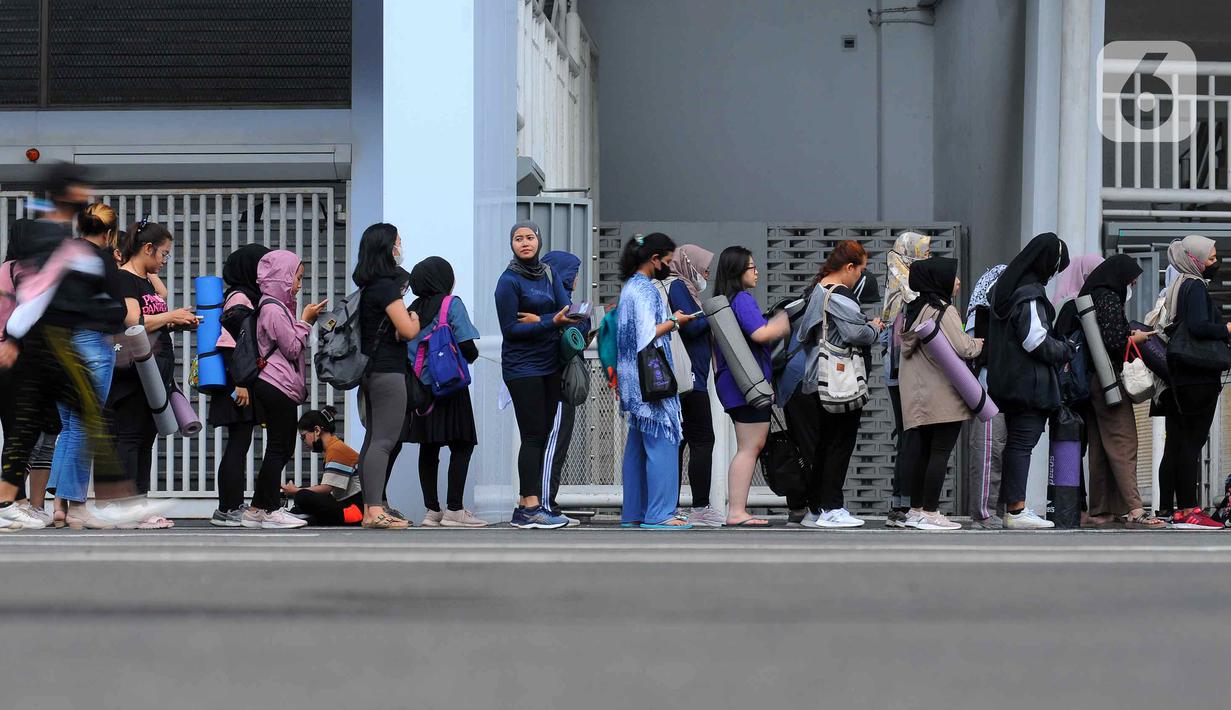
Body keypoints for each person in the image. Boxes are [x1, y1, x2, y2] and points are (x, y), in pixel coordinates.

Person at [0, 164, 162, 531]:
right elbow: (40, 292)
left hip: (55, 341)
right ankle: (87, 502)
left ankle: (42, 502)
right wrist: (13, 335)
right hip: (61, 342)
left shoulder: (67, 243)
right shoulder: (63, 244)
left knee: (54, 424)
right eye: (80, 187)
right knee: (81, 421)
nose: (86, 192)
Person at [105, 219, 196, 529]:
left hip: (155, 367)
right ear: (147, 248)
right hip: (135, 369)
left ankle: (140, 506)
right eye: (164, 253)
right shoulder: (124, 280)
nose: (164, 260)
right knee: (131, 436)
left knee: (146, 437)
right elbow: (133, 321)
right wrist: (170, 316)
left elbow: (157, 306)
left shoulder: (142, 279)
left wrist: (173, 318)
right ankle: (127, 507)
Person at [787, 240, 883, 528]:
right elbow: (856, 333)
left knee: (823, 445)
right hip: (839, 380)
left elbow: (804, 333)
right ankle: (832, 507)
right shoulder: (840, 294)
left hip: (816, 377)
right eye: (861, 269)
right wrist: (874, 329)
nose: (861, 276)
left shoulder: (817, 290)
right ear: (849, 267)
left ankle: (816, 509)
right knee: (840, 443)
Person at [494, 220, 584, 529]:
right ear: (512, 245)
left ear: (539, 241)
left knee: (542, 435)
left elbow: (568, 313)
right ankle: (529, 506)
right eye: (518, 238)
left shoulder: (548, 274)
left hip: (549, 364)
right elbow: (511, 330)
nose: (524, 243)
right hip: (522, 367)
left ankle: (528, 504)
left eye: (529, 237)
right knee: (533, 435)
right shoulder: (508, 281)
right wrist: (549, 323)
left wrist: (542, 318)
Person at [47, 203, 127, 529]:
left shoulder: (63, 255)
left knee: (68, 426)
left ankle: (59, 506)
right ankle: (78, 505)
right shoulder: (101, 260)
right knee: (84, 426)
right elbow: (119, 310)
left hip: (60, 346)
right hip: (93, 344)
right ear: (108, 234)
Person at [986, 232, 1074, 530]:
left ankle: (1012, 507)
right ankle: (1017, 509)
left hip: (1008, 382)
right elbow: (1035, 340)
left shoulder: (1005, 290)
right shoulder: (1031, 294)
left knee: (1014, 445)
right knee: (1022, 444)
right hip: (1030, 385)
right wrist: (1064, 350)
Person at [239, 249, 328, 529]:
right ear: (282, 277)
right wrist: (305, 320)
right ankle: (271, 510)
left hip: (275, 384)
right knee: (280, 447)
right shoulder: (273, 309)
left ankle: (256, 509)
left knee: (279, 446)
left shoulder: (275, 307)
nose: (299, 285)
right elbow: (290, 347)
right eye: (297, 278)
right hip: (276, 384)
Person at [1076, 255, 1165, 529]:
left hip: (1093, 380)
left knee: (1101, 448)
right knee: (1124, 441)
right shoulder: (1109, 298)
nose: (1134, 283)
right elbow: (1115, 340)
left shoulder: (1092, 293)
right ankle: (1136, 510)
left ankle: (1102, 510)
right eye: (1131, 278)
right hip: (1108, 380)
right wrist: (1135, 337)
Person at [615, 233, 694, 529]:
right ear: (655, 259)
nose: (670, 267)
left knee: (637, 446)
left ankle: (634, 512)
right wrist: (675, 321)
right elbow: (648, 333)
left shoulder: (629, 288)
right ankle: (660, 513)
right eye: (669, 261)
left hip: (632, 379)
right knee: (664, 439)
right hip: (652, 379)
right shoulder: (647, 289)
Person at [898, 257, 982, 530]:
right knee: (940, 453)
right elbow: (964, 348)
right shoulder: (943, 311)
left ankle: (917, 510)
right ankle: (931, 512)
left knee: (922, 453)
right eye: (953, 277)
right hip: (942, 395)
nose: (957, 282)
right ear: (939, 280)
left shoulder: (915, 310)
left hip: (919, 395)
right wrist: (982, 341)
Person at [711, 245, 790, 527]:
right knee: (750, 447)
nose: (757, 272)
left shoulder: (726, 301)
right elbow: (760, 333)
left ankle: (737, 509)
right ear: (738, 272)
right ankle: (737, 511)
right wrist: (782, 322)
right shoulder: (742, 300)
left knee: (748, 446)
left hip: (732, 385)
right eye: (752, 267)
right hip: (748, 386)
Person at [405, 256, 487, 528]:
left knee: (429, 448)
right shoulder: (451, 304)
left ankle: (432, 512)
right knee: (462, 444)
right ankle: (455, 509)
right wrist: (471, 357)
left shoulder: (412, 308)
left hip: (422, 389)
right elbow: (467, 347)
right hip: (450, 387)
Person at [1154, 236, 1228, 530]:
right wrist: (1226, 328)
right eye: (1210, 258)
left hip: (1180, 376)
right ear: (1195, 260)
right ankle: (1188, 510)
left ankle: (1168, 509)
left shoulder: (1178, 285)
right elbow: (1198, 326)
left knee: (1175, 444)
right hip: (1198, 376)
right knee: (1191, 443)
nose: (1215, 263)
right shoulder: (1195, 287)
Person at [352, 223, 420, 529]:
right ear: (387, 248)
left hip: (370, 371)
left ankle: (370, 508)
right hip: (388, 371)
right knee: (384, 440)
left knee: (372, 440)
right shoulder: (388, 287)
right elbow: (406, 330)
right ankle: (376, 510)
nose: (400, 248)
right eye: (398, 242)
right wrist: (415, 318)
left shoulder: (368, 288)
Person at [207, 243, 271, 526]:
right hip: (236, 385)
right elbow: (230, 345)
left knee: (240, 443)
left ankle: (231, 503)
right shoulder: (240, 299)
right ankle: (228, 506)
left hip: (238, 382)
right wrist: (240, 384)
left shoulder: (245, 297)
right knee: (237, 444)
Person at [665, 244, 722, 527]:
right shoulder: (678, 286)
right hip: (690, 380)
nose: (707, 272)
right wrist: (714, 314)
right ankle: (699, 506)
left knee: (682, 441)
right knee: (702, 440)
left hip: (690, 377)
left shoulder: (686, 288)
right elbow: (690, 325)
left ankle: (670, 505)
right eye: (703, 265)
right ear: (689, 263)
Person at [879, 231, 931, 527]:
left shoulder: (901, 280)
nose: (928, 259)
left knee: (908, 437)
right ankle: (904, 506)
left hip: (897, 374)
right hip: (903, 373)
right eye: (924, 253)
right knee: (912, 437)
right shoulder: (906, 288)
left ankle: (902, 503)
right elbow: (902, 339)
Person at [539, 250, 592, 527]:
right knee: (553, 445)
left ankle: (542, 502)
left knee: (548, 444)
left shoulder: (543, 301)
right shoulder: (561, 308)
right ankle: (546, 504)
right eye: (574, 273)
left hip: (547, 381)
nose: (576, 278)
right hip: (558, 384)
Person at [962, 264, 1007, 529]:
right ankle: (984, 512)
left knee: (996, 451)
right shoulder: (983, 311)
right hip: (986, 388)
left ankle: (994, 510)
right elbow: (973, 350)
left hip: (995, 387)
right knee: (988, 451)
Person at [281, 406, 362, 526]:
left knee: (302, 495)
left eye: (303, 437)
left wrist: (295, 491)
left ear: (317, 431)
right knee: (304, 493)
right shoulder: (335, 447)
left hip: (354, 511)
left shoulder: (337, 450)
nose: (304, 442)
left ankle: (300, 515)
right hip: (349, 507)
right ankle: (302, 516)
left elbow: (326, 489)